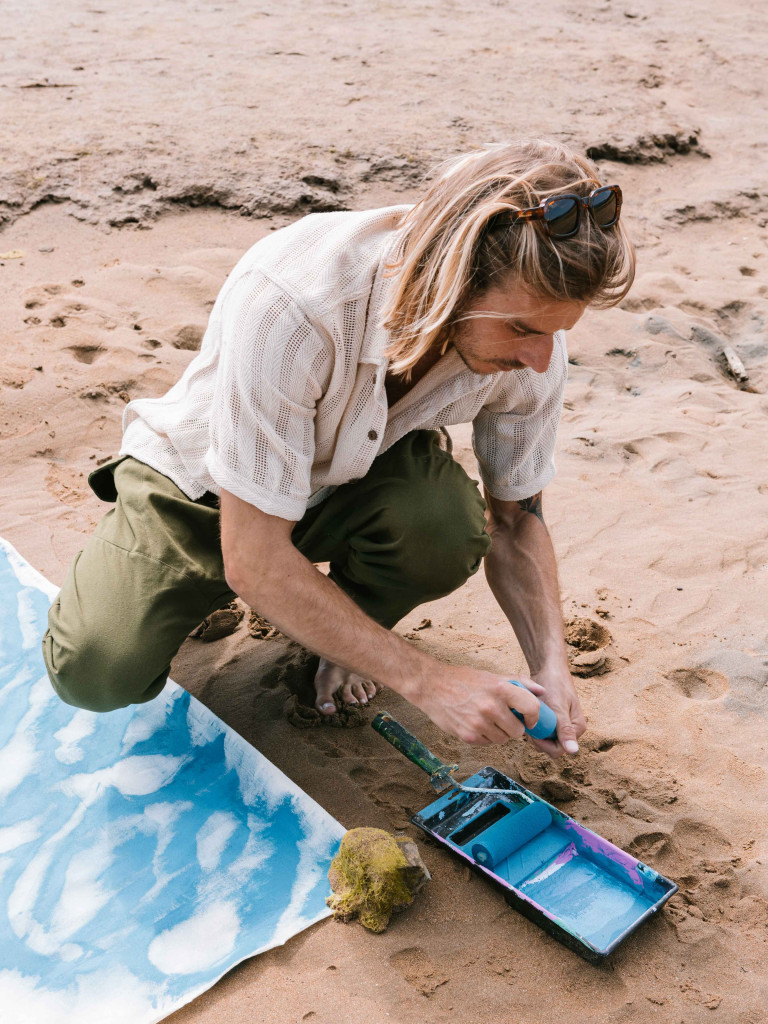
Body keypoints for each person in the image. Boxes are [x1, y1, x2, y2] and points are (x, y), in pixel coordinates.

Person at [42, 139, 635, 759]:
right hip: (203, 489)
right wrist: (425, 680)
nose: (539, 358)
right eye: (520, 329)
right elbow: (253, 556)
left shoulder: (535, 345)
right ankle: (192, 585)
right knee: (95, 671)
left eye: (556, 333)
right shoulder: (298, 299)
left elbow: (516, 521)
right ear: (449, 281)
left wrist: (552, 664)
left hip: (354, 477)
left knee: (444, 527)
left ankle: (342, 631)